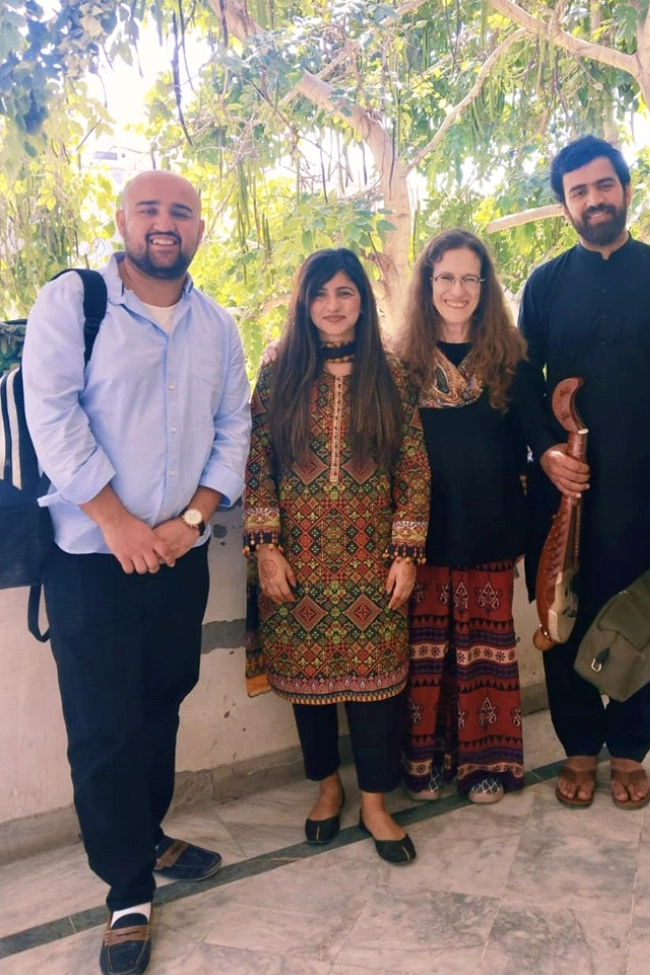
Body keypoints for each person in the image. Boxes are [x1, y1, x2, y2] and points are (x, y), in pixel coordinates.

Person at [22, 171, 251, 975]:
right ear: (122, 220)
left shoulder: (218, 326)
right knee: (104, 725)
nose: (165, 223)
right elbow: (52, 414)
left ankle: (148, 831)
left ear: (199, 227)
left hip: (176, 558)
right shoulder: (74, 303)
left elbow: (235, 428)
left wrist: (187, 523)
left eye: (181, 211)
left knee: (164, 700)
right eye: (149, 210)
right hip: (91, 561)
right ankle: (126, 888)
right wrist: (118, 525)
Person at [518, 135, 650, 809]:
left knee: (641, 614)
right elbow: (518, 381)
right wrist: (546, 452)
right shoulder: (543, 284)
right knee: (560, 611)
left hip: (647, 485)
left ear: (624, 189)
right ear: (564, 205)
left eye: (603, 185)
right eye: (578, 191)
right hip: (562, 491)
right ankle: (576, 746)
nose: (593, 199)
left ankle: (629, 748)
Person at [244, 248, 429, 865]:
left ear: (363, 301)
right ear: (304, 302)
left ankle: (375, 803)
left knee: (377, 691)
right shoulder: (278, 374)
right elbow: (257, 463)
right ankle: (328, 788)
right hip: (296, 564)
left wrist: (406, 553)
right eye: (320, 293)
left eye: (345, 292)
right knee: (310, 690)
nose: (332, 305)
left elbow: (413, 467)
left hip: (374, 563)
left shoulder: (393, 375)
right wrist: (267, 549)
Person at [398, 228, 554, 804]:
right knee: (425, 654)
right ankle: (425, 763)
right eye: (445, 278)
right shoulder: (400, 362)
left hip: (492, 524)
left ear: (485, 286)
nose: (457, 290)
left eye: (469, 278)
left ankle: (485, 763)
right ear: (427, 284)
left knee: (485, 652)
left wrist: (564, 456)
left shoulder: (510, 356)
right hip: (422, 531)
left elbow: (534, 435)